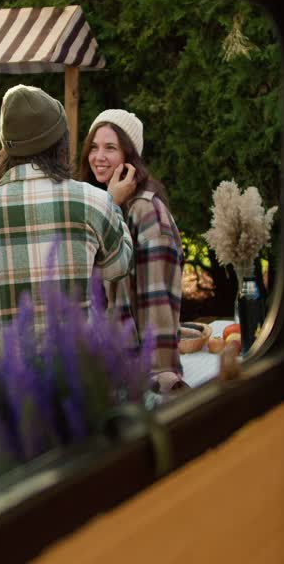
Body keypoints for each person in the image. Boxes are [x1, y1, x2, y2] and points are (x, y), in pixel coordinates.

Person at [0, 85, 134, 347]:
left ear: (5, 146)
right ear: (61, 143)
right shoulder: (95, 202)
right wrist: (114, 204)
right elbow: (120, 265)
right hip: (74, 365)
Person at [77, 109, 186, 393]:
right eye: (94, 147)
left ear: (130, 156)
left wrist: (161, 373)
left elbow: (156, 296)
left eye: (110, 148)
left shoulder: (145, 211)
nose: (99, 157)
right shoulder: (104, 206)